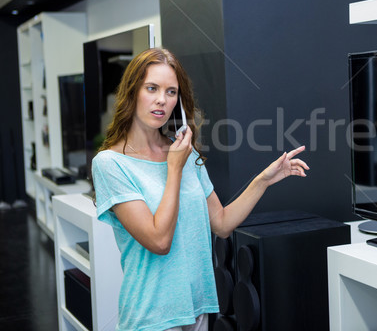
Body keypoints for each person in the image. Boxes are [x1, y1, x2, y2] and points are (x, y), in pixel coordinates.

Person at [91, 48, 309, 331]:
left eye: (171, 92)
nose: (161, 100)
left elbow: (221, 223)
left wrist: (263, 180)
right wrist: (174, 168)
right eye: (152, 88)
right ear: (132, 92)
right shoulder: (110, 163)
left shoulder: (182, 152)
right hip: (152, 317)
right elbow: (159, 241)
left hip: (196, 309)